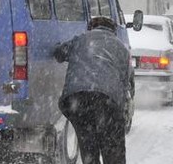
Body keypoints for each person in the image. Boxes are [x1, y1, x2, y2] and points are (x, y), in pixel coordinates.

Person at [54, 16, 131, 164]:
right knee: (113, 149)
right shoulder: (121, 48)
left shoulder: (81, 40)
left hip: (77, 100)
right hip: (107, 101)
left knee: (88, 143)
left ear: (91, 28)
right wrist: (119, 113)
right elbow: (124, 83)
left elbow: (59, 54)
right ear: (113, 31)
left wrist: (57, 45)